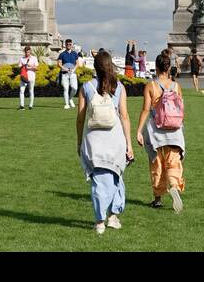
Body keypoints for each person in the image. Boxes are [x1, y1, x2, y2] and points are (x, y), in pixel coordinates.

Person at [77, 50, 133, 234]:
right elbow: (124, 116)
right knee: (116, 175)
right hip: (115, 138)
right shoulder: (119, 87)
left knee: (99, 181)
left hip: (94, 140)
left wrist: (79, 141)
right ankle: (113, 216)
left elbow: (80, 118)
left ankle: (100, 220)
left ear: (95, 66)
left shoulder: (86, 87)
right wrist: (129, 144)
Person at [135, 49, 184, 212]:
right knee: (173, 161)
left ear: (156, 67)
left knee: (156, 164)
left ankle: (157, 199)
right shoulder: (176, 86)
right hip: (174, 129)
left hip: (156, 130)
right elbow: (180, 108)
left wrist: (139, 131)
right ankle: (174, 185)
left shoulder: (151, 85)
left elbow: (145, 110)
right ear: (169, 67)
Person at [56, 38, 81, 109]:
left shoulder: (75, 53)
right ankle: (67, 104)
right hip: (64, 73)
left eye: (70, 44)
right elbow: (59, 64)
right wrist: (65, 69)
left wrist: (73, 69)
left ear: (71, 45)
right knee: (66, 89)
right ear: (65, 45)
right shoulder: (62, 54)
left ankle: (70, 98)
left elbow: (77, 63)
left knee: (75, 88)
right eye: (67, 44)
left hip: (73, 73)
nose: (68, 45)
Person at [18, 44, 39, 110]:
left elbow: (37, 68)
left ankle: (30, 105)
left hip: (31, 76)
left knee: (31, 91)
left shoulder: (34, 58)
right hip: (24, 76)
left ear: (30, 52)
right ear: (24, 52)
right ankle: (22, 105)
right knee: (21, 90)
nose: (27, 53)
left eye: (28, 52)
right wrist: (23, 66)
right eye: (26, 52)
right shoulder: (22, 59)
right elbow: (19, 67)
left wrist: (30, 66)